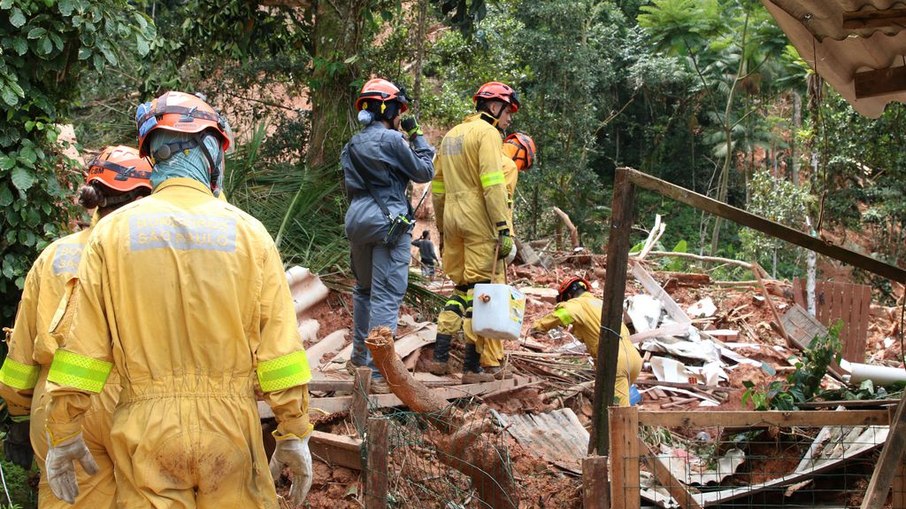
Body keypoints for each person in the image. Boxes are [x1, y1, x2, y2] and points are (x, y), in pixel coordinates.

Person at [42, 91, 313, 508]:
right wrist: (293, 430)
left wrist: (63, 432)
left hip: (146, 434)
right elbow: (281, 351)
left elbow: (83, 352)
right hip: (230, 433)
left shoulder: (110, 237)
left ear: (154, 154)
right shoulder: (249, 234)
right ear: (210, 148)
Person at [0, 146, 152, 508]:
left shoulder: (53, 256)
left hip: (57, 402)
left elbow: (21, 351)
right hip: (136, 403)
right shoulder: (156, 256)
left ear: (94, 196)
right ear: (146, 195)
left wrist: (19, 419)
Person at [342, 78, 435, 393]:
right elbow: (424, 171)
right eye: (399, 110)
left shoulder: (352, 144)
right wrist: (417, 135)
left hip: (357, 221)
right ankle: (378, 373)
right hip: (389, 224)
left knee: (364, 291)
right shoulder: (394, 141)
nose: (400, 116)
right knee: (386, 295)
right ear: (388, 107)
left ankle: (358, 359)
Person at [429, 82, 521, 383]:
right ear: (494, 106)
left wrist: (443, 228)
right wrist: (503, 227)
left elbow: (438, 187)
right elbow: (492, 184)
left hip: (453, 218)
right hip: (479, 220)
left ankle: (440, 358)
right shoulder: (489, 134)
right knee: (480, 293)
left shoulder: (451, 135)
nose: (508, 119)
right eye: (508, 112)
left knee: (459, 290)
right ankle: (471, 367)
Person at [531, 276, 643, 406]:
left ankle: (619, 425)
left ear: (569, 295)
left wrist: (538, 327)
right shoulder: (602, 304)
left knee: (619, 414)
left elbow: (564, 314)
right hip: (634, 359)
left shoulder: (577, 304)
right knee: (613, 403)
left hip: (615, 362)